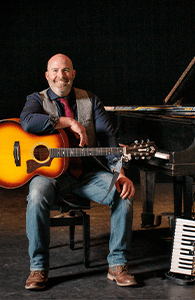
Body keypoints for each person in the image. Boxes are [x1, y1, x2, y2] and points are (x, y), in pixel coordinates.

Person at [20, 53, 137, 290]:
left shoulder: (91, 100)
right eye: (54, 71)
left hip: (88, 175)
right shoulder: (36, 99)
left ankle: (117, 264)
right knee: (35, 196)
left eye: (65, 71)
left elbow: (108, 140)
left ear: (73, 74)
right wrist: (69, 122)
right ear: (47, 75)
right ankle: (38, 268)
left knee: (122, 193)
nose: (60, 76)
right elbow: (28, 121)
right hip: (51, 176)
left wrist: (120, 172)